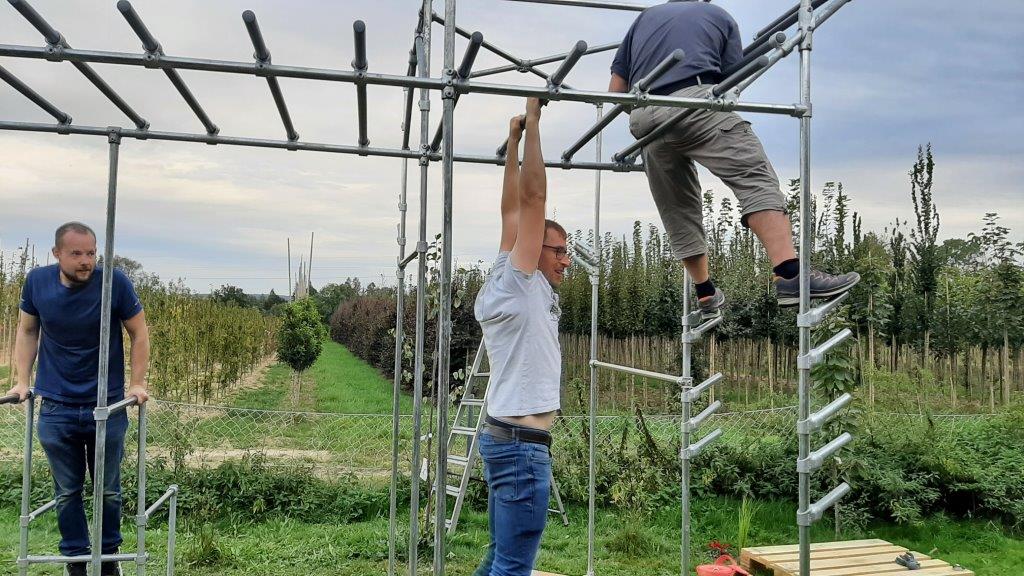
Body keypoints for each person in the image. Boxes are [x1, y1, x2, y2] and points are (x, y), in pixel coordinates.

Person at [609, 0, 859, 316]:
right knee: (754, 176)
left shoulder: (644, 18)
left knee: (678, 205)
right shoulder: (719, 16)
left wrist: (652, 113)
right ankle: (790, 275)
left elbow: (616, 90)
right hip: (695, 99)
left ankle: (705, 293)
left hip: (643, 117)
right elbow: (730, 80)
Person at [7, 222, 150, 576]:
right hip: (56, 407)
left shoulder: (113, 282)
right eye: (77, 254)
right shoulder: (37, 282)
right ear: (56, 253)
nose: (86, 261)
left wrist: (137, 383)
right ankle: (75, 562)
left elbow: (139, 332)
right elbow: (27, 330)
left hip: (107, 406)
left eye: (91, 253)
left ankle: (108, 561)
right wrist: (22, 381)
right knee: (67, 492)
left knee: (109, 492)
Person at [472, 97, 569, 576]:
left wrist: (512, 144)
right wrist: (533, 121)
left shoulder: (500, 274)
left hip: (504, 439)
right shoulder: (520, 278)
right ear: (536, 248)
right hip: (524, 450)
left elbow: (511, 209)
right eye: (559, 250)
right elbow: (531, 203)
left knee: (498, 558)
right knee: (513, 567)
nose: (565, 260)